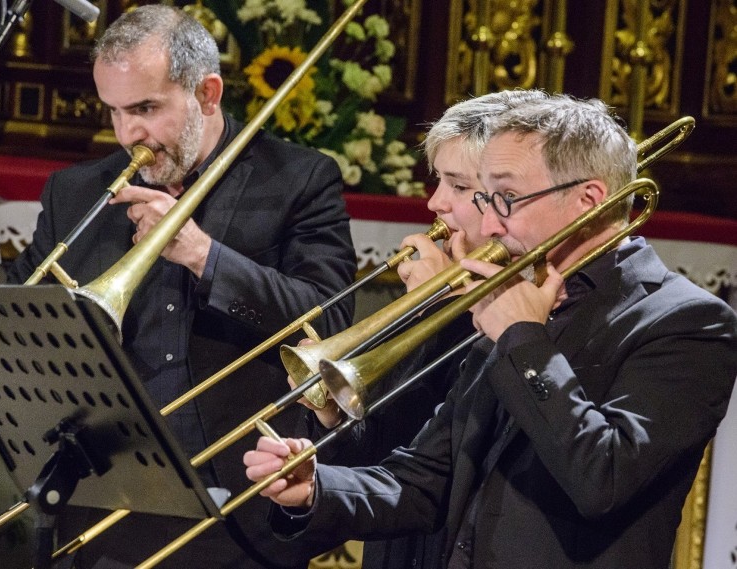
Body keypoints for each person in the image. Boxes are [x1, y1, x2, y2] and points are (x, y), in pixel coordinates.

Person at [245, 94, 737, 569]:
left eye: (506, 197)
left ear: (588, 200)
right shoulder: (513, 297)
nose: (492, 223)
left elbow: (602, 481)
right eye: (485, 197)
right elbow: (428, 478)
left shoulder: (688, 322)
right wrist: (317, 489)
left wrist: (523, 339)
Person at [7, 5, 356, 569]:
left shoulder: (299, 179)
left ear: (208, 93)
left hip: (239, 504)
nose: (128, 135)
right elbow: (20, 313)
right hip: (105, 496)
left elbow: (334, 323)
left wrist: (204, 256)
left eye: (146, 108)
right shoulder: (74, 191)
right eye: (115, 112)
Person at [296, 89, 549, 568]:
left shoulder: (538, 300)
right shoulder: (441, 281)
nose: (435, 202)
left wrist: (448, 305)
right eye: (439, 182)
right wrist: (335, 414)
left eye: (456, 185)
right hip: (398, 543)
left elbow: (460, 449)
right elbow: (387, 448)